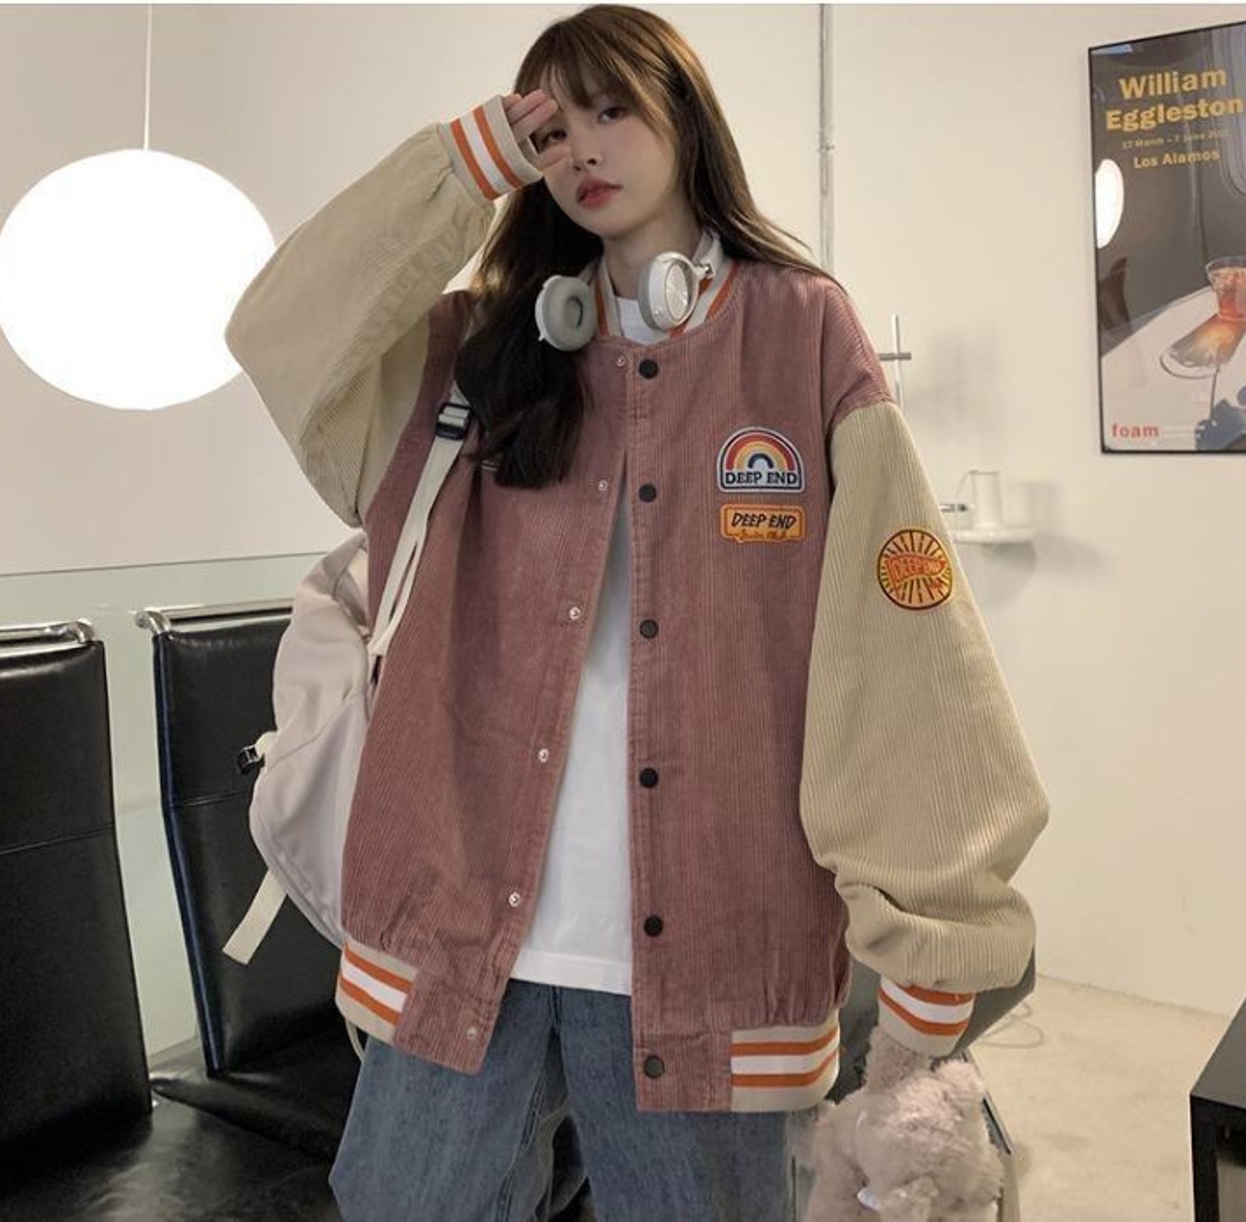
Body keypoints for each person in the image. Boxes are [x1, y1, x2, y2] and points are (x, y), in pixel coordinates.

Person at [224, 6, 1049, 1220]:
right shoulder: (476, 351)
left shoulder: (797, 330)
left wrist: (934, 928)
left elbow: (899, 645)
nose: (580, 150)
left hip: (711, 948)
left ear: (684, 119)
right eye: (549, 129)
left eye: (610, 110)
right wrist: (462, 163)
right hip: (457, 928)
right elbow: (275, 331)